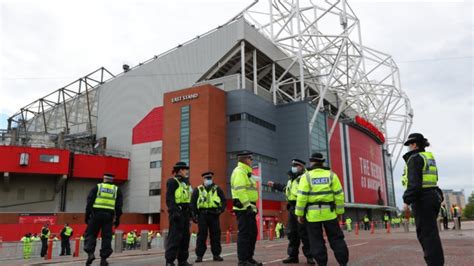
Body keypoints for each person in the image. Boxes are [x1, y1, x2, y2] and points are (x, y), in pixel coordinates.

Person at [295, 152, 348, 266]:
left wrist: (299, 214)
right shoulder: (331, 175)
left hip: (313, 216)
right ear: (322, 162)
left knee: (316, 240)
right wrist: (339, 212)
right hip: (330, 213)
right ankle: (343, 262)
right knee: (337, 238)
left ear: (312, 162)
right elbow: (339, 195)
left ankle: (322, 263)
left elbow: (302, 197)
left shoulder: (306, 177)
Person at [402, 133, 444, 265]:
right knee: (431, 234)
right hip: (433, 196)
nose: (408, 147)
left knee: (427, 236)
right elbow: (432, 180)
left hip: (423, 199)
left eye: (409, 145)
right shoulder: (428, 157)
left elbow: (415, 184)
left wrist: (406, 200)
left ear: (414, 144)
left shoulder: (415, 158)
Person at [267, 159, 314, 264]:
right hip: (292, 208)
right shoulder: (292, 179)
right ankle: (293, 256)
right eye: (293, 165)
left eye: (296, 165)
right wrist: (274, 185)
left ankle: (310, 256)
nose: (294, 167)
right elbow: (286, 189)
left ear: (302, 166)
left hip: (302, 207)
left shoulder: (305, 177)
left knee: (304, 234)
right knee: (292, 233)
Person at [84, 173, 123, 266]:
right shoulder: (116, 190)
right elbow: (119, 206)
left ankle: (90, 253)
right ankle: (103, 259)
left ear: (104, 179)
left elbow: (89, 201)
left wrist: (87, 215)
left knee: (91, 234)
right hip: (109, 216)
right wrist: (117, 219)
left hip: (95, 215)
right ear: (112, 180)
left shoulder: (97, 187)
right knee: (106, 237)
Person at [231, 151, 262, 266]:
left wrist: (252, 207)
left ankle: (249, 257)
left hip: (249, 208)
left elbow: (249, 192)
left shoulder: (246, 172)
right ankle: (243, 260)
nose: (251, 160)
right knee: (245, 234)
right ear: (245, 159)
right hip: (243, 209)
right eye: (250, 158)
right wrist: (248, 206)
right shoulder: (239, 172)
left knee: (252, 233)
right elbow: (240, 190)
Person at [191, 171, 226, 262]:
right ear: (203, 179)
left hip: (214, 214)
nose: (208, 180)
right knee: (202, 235)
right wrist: (194, 215)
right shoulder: (198, 189)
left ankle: (216, 254)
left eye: (210, 178)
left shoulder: (217, 189)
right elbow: (193, 203)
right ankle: (199, 256)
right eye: (207, 178)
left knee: (215, 235)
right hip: (202, 215)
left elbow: (223, 200)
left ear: (212, 178)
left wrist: (221, 210)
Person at [165, 162, 193, 266]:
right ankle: (169, 261)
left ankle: (182, 261)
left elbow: (189, 198)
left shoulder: (186, 183)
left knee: (185, 238)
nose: (187, 171)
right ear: (180, 170)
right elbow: (169, 198)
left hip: (185, 214)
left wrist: (191, 213)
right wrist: (174, 211)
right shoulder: (172, 182)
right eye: (185, 169)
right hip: (177, 213)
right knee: (175, 237)